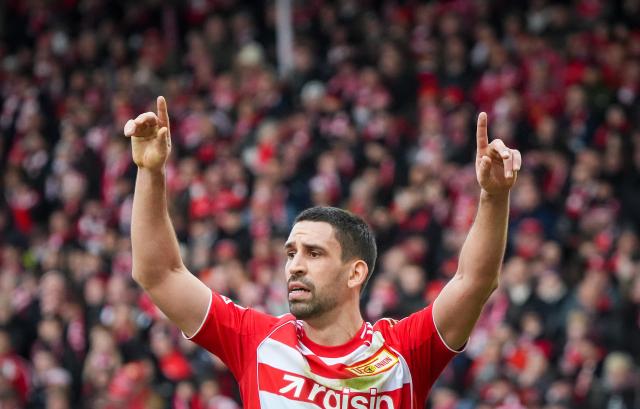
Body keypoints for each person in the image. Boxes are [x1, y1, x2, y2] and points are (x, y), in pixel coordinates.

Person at [123, 96, 521, 408]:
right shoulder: (256, 341)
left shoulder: (403, 352)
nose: (294, 266)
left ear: (355, 273)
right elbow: (159, 274)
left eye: (313, 254)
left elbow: (474, 282)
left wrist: (493, 197)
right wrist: (149, 171)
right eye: (290, 253)